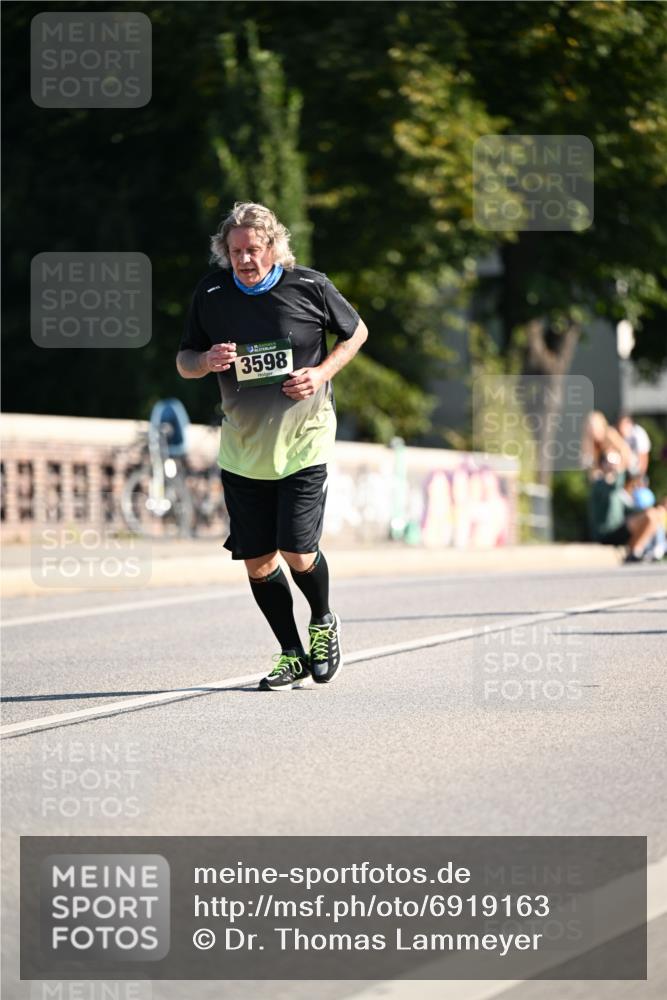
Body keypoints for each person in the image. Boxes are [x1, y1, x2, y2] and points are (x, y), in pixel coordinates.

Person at [176, 202, 368, 689]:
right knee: (257, 559)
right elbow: (183, 360)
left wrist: (320, 374)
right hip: (243, 448)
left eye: (254, 250)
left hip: (305, 439)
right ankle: (291, 653)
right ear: (226, 252)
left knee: (297, 549)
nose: (245, 259)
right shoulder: (212, 293)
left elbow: (356, 332)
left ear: (274, 248)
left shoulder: (309, 286)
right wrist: (207, 361)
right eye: (235, 251)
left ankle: (323, 621)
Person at [587, 451, 663, 562]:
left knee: (653, 514)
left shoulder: (619, 491)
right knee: (650, 515)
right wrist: (622, 466)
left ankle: (636, 551)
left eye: (615, 462)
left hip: (619, 529)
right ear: (602, 464)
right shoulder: (599, 484)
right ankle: (634, 552)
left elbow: (631, 509)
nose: (613, 465)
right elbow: (613, 486)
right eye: (610, 462)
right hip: (605, 533)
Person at [616, 412, 652, 478]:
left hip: (636, 470)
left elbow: (644, 457)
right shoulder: (616, 434)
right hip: (622, 471)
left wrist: (640, 476)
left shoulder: (639, 434)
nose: (622, 427)